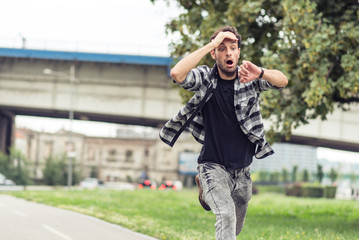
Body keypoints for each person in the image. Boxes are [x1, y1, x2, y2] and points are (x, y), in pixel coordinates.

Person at [159, 25, 288, 239]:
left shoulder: (250, 78)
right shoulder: (204, 78)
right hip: (212, 166)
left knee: (233, 229)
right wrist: (211, 42)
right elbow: (177, 73)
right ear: (214, 53)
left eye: (233, 47)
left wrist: (261, 72)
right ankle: (206, 185)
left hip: (243, 171)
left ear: (238, 52)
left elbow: (282, 81)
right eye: (222, 48)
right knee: (226, 216)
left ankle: (204, 195)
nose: (228, 52)